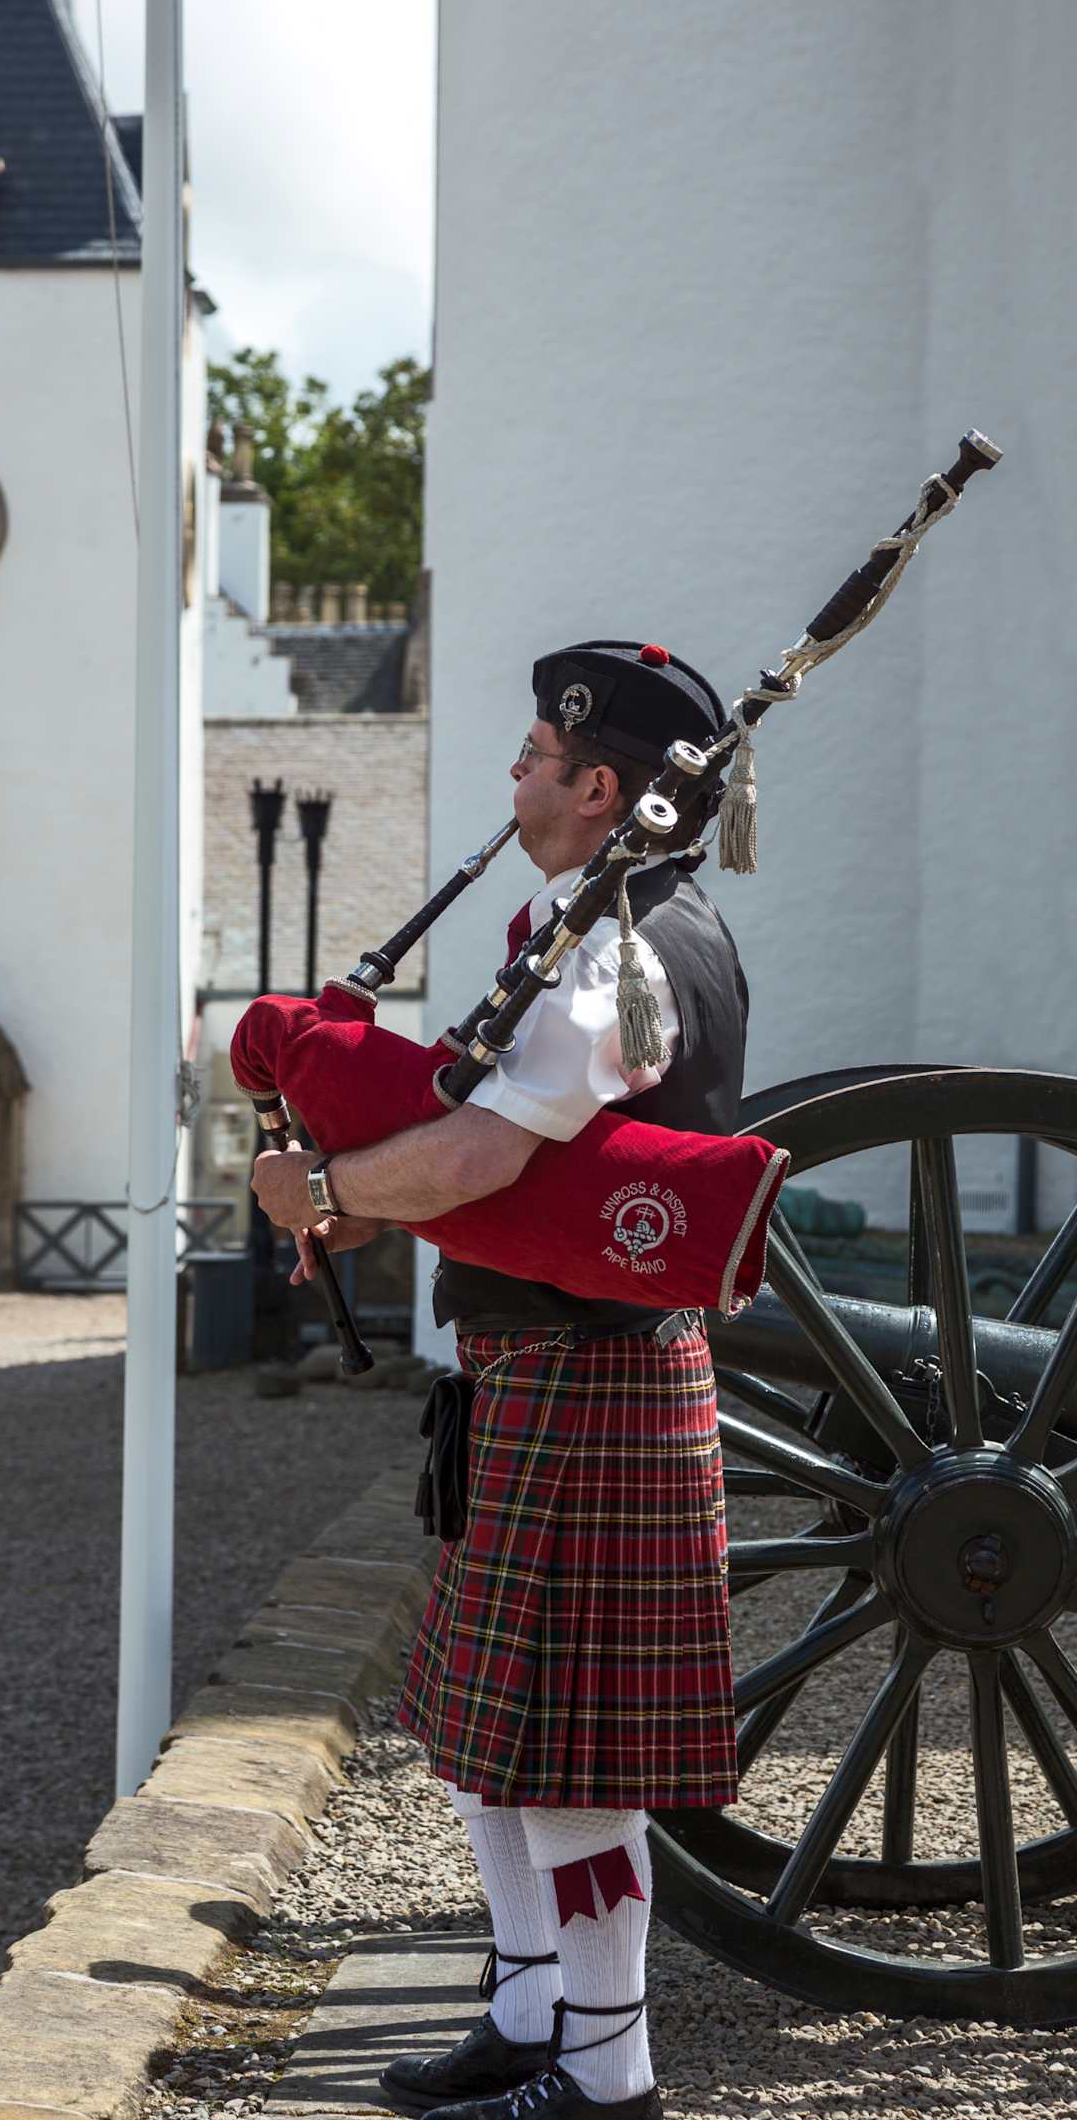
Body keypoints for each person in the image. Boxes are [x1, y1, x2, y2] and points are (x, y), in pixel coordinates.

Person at [250, 641, 748, 2120]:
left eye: (538, 753)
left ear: (604, 787)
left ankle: (608, 2076)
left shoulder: (624, 954)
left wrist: (328, 1183)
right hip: (535, 1373)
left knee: (574, 1763)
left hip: (593, 1378)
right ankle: (532, 2012)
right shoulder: (587, 920)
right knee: (489, 1736)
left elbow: (486, 1156)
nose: (514, 773)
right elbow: (478, 1139)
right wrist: (345, 1182)